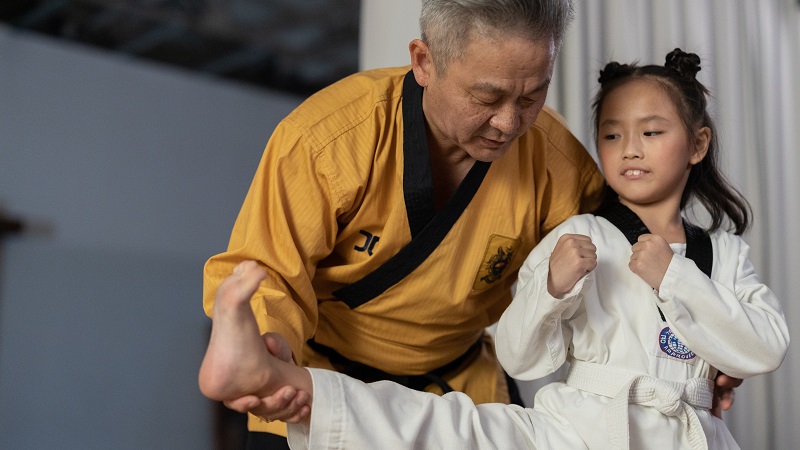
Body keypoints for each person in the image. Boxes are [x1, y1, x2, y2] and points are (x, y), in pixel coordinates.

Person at [199, 49, 789, 449]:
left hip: (692, 433)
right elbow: (522, 356)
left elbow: (762, 348)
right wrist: (553, 289)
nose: (509, 121)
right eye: (611, 134)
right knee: (455, 434)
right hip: (583, 427)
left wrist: (684, 293)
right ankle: (291, 385)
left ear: (697, 144)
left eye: (652, 132)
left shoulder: (722, 254)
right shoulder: (579, 233)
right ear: (425, 61)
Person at [202, 0, 608, 447]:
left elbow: (617, 271)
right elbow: (271, 274)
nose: (509, 123)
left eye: (532, 97)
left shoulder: (557, 162)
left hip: (455, 392)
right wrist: (271, 348)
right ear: (424, 62)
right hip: (323, 381)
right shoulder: (327, 140)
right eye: (487, 97)